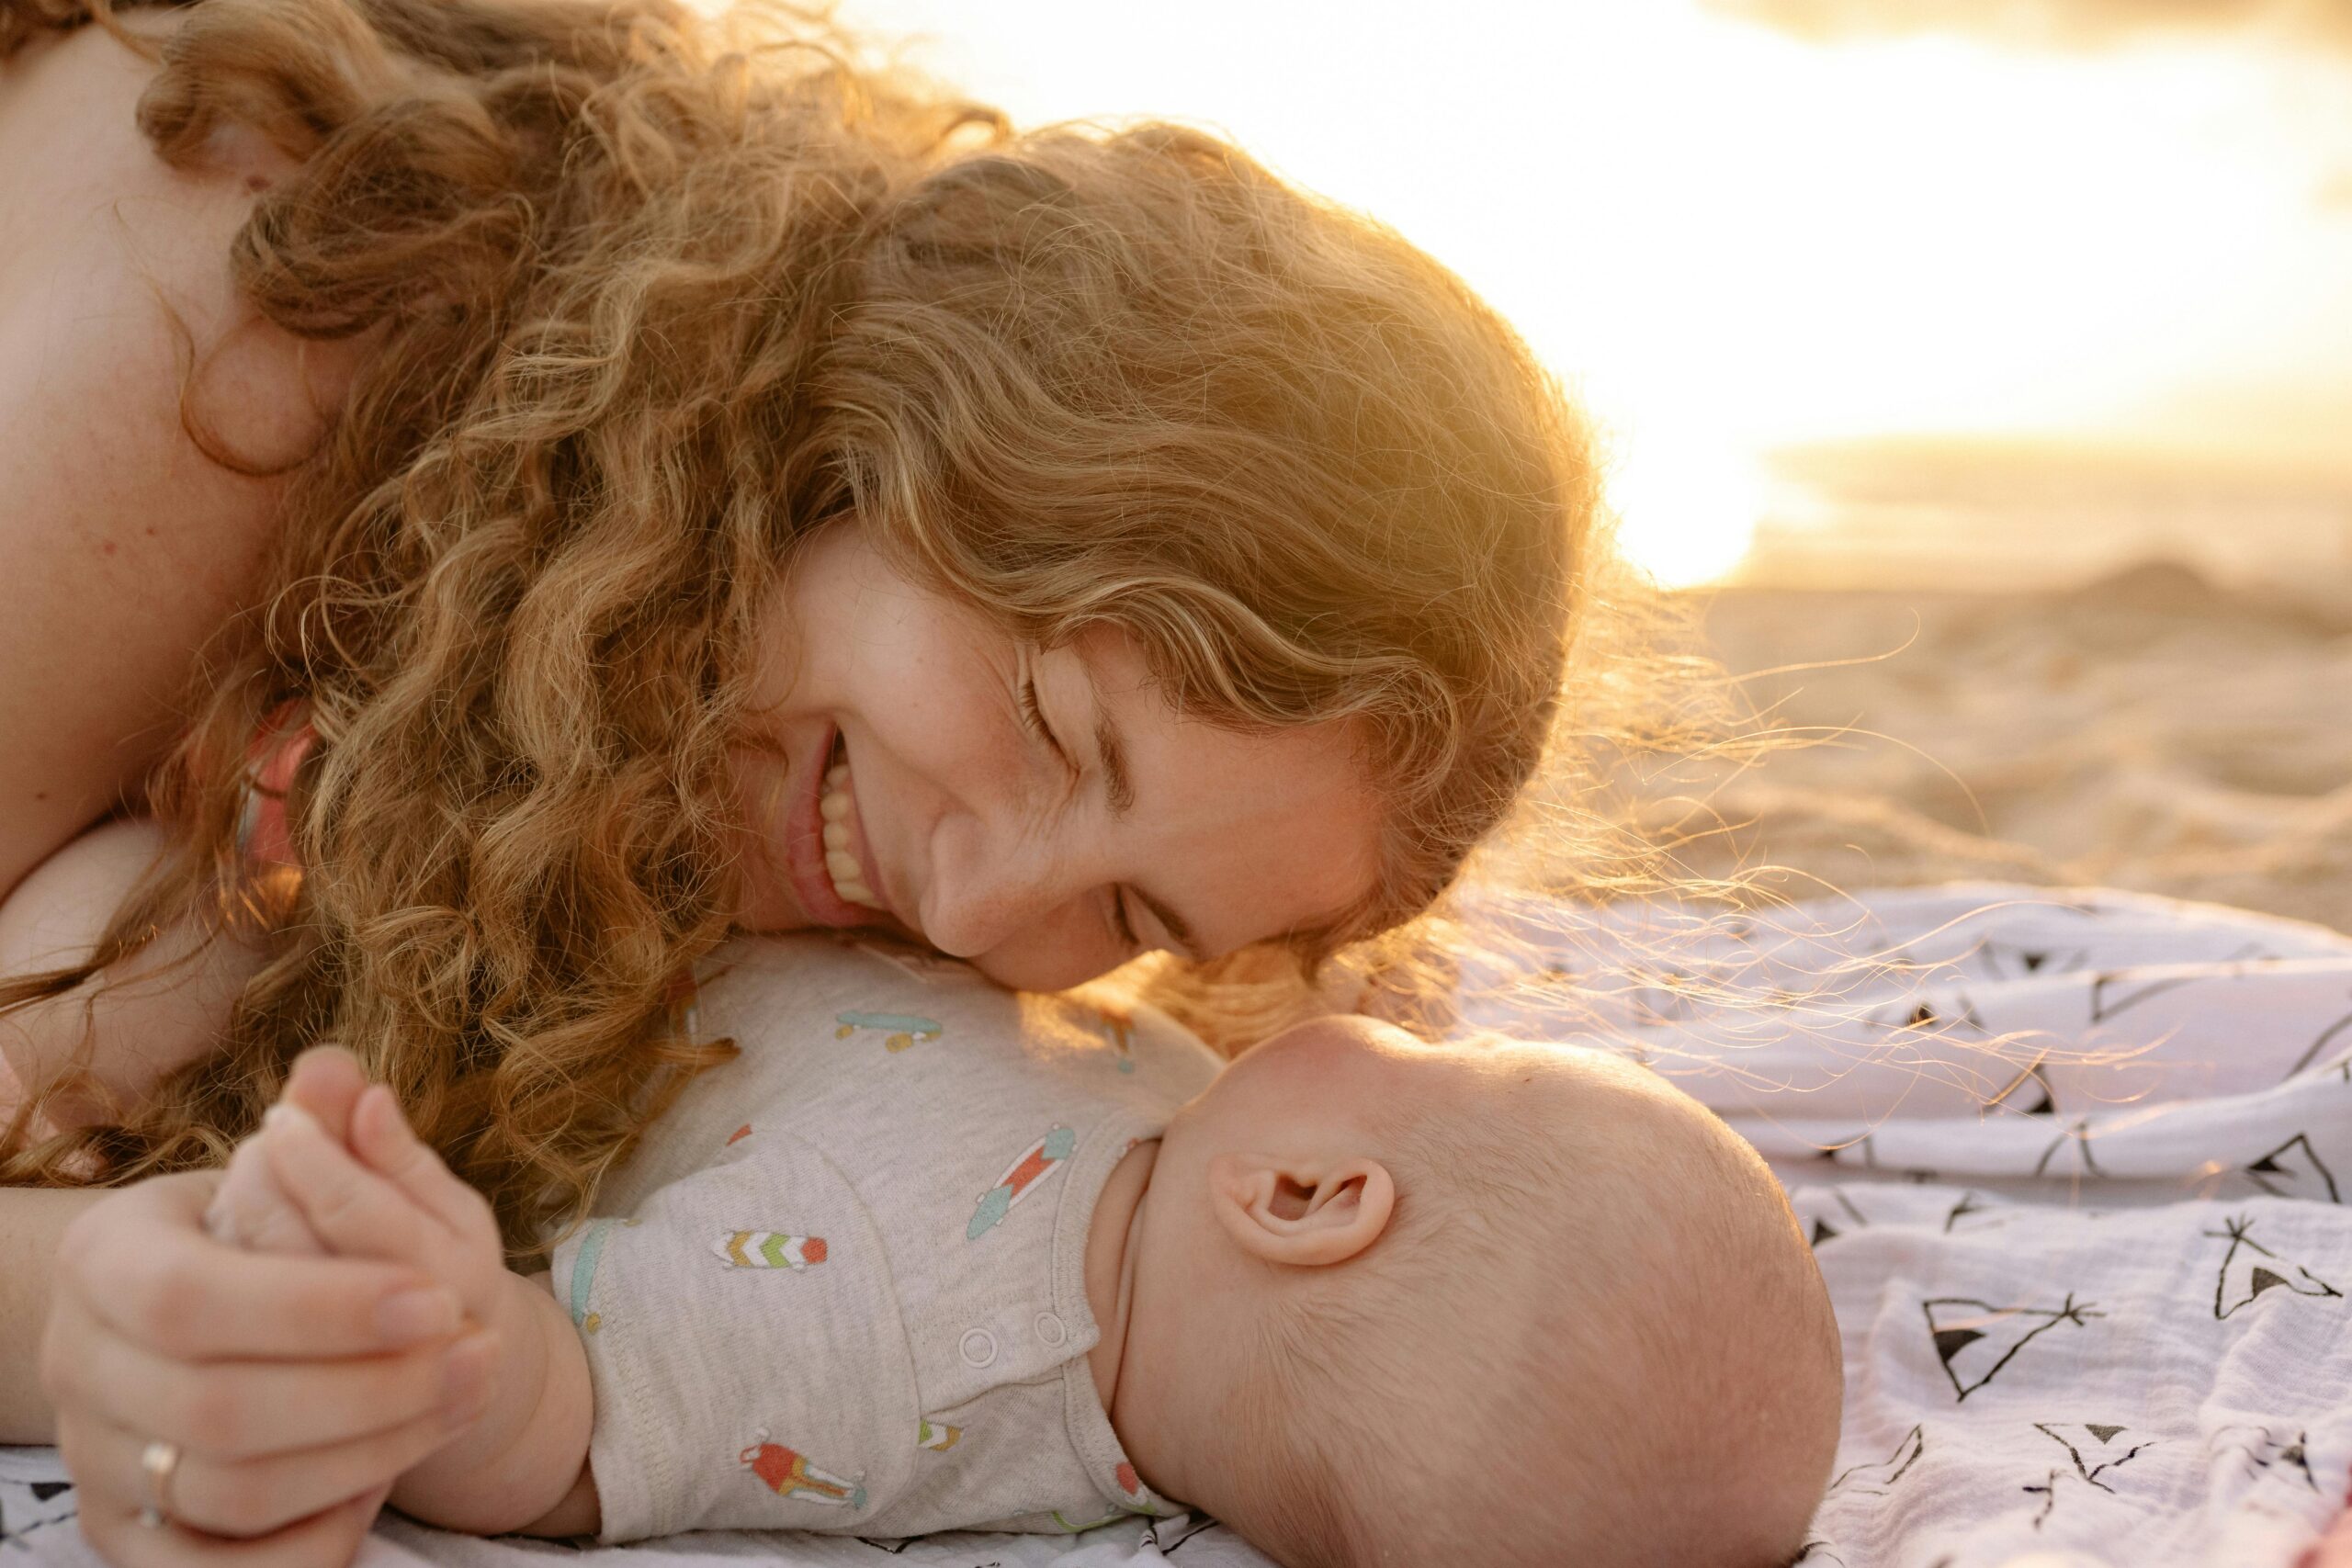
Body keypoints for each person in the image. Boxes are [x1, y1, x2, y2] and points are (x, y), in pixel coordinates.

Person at [0, 0, 1622, 1559]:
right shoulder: (254, 322)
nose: (974, 905)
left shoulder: (582, 752)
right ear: (912, 421)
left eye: (1134, 911)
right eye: (1053, 726)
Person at [184, 942, 1844, 1568]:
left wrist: (437, 1320)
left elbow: (577, 1430)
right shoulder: (1185, 1152)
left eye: (1439, 1072)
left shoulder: (900, 1350)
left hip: (426, 959)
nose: (1388, 1032)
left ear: (1312, 1200)